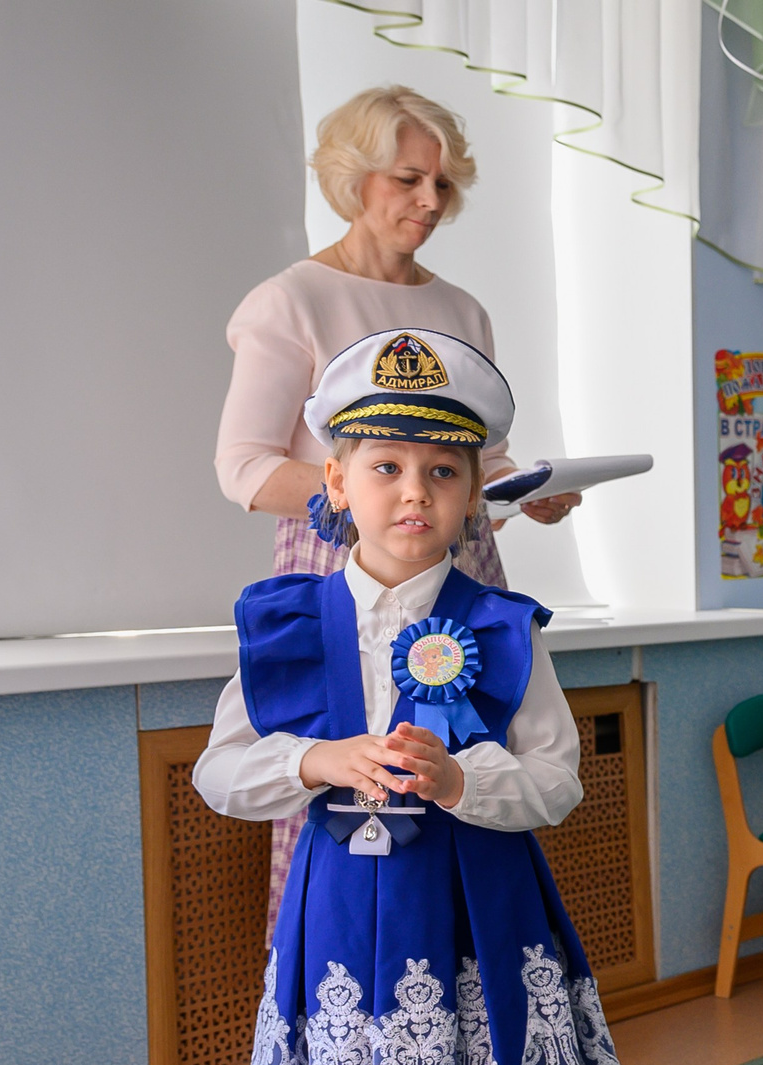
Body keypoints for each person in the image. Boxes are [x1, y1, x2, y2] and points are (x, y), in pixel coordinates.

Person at [196, 328, 634, 1065]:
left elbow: (555, 781)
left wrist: (461, 777)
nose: (413, 493)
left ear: (479, 493)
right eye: (383, 467)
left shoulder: (503, 631)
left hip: (476, 925)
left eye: (443, 471)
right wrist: (317, 762)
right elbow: (220, 770)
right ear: (332, 482)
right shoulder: (283, 625)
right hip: (341, 930)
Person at [216, 85, 581, 925]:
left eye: (444, 186)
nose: (430, 202)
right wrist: (383, 499)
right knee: (347, 784)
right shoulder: (292, 300)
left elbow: (480, 459)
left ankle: (473, 953)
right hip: (340, 566)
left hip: (463, 569)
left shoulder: (461, 310)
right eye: (409, 179)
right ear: (353, 179)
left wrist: (521, 489)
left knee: (474, 766)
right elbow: (243, 467)